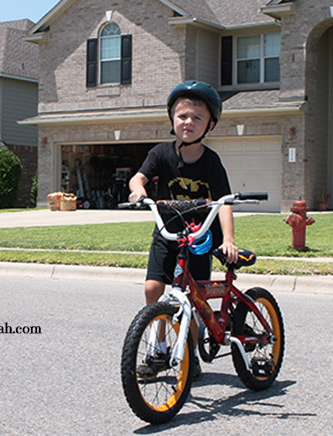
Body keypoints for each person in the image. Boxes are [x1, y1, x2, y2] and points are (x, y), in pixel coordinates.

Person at [128, 80, 238, 379]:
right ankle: (159, 348)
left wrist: (227, 239)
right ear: (172, 120)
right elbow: (138, 178)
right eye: (182, 116)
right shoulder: (160, 154)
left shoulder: (211, 162)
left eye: (197, 117)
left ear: (209, 125)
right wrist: (138, 191)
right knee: (154, 289)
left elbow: (224, 202)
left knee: (192, 300)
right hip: (167, 232)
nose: (188, 122)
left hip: (199, 238)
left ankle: (189, 353)